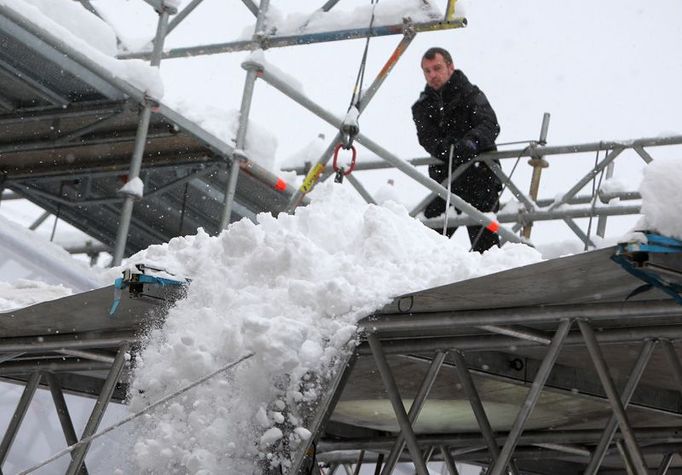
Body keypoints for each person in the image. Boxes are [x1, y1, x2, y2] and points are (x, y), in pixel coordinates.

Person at [411, 47, 502, 253]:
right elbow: (427, 139)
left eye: (437, 68)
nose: (432, 75)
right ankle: (429, 279)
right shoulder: (422, 106)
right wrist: (446, 149)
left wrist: (471, 143)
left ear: (450, 67)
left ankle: (493, 278)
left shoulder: (471, 94)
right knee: (428, 244)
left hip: (481, 178)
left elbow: (490, 124)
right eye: (427, 71)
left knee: (486, 247)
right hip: (447, 182)